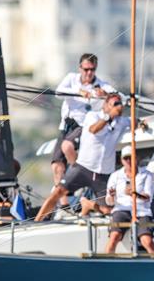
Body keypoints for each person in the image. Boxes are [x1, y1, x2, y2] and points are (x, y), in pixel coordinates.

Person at [36, 93, 132, 221]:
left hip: (103, 175)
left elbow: (134, 122)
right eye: (115, 104)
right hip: (83, 168)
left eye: (119, 105)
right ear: (106, 105)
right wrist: (109, 116)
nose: (118, 107)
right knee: (57, 193)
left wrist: (140, 123)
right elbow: (94, 129)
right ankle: (37, 220)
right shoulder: (93, 116)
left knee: (111, 211)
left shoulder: (121, 122)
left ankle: (90, 205)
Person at [51, 53, 117, 207]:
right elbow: (58, 92)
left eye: (92, 70)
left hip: (84, 126)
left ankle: (80, 174)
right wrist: (78, 92)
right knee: (56, 165)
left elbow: (117, 96)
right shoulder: (71, 79)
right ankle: (64, 203)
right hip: (67, 125)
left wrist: (105, 95)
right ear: (80, 68)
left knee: (67, 146)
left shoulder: (100, 85)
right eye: (86, 69)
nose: (89, 73)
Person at [102, 145, 154, 254]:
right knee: (114, 238)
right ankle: (106, 266)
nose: (128, 160)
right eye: (125, 158)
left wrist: (135, 194)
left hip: (141, 211)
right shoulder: (115, 176)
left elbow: (148, 198)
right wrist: (111, 195)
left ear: (136, 158)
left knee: (147, 241)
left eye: (131, 157)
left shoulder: (147, 175)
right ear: (121, 160)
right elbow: (109, 202)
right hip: (120, 210)